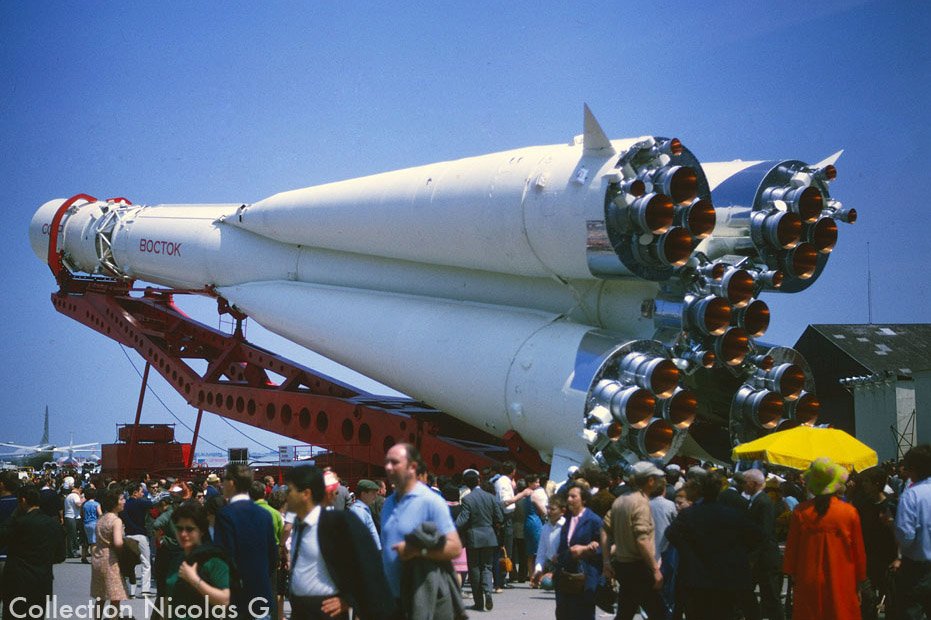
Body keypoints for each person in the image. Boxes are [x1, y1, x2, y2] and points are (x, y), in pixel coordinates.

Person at [285, 465, 395, 620]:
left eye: (290, 490)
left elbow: (368, 567)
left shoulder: (338, 524)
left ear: (306, 494)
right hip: (300, 611)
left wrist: (350, 600)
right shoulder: (298, 524)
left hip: (325, 611)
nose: (286, 496)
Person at [666, 471, 762, 620]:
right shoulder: (732, 515)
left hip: (696, 579)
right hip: (726, 578)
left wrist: (688, 551)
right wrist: (738, 551)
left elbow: (671, 534)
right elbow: (757, 536)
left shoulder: (689, 514)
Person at [380, 443, 463, 615]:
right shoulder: (388, 503)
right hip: (391, 599)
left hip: (422, 600)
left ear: (412, 467)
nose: (388, 467)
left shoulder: (431, 501)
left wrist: (417, 551)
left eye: (394, 462)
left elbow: (455, 548)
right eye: (386, 462)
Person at [783, 457, 867, 620]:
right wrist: (860, 579)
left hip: (808, 578)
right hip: (842, 578)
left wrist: (792, 574)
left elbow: (791, 551)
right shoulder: (849, 512)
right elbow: (859, 552)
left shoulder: (801, 512)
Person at [601, 461, 666, 620]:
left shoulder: (620, 501)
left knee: (625, 612)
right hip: (639, 567)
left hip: (623, 566)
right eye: (655, 478)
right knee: (660, 614)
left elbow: (604, 529)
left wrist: (607, 561)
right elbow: (642, 540)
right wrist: (655, 569)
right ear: (650, 481)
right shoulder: (641, 503)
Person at [214, 464, 277, 620]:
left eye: (224, 479)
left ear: (232, 482)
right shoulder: (265, 514)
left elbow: (223, 558)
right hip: (261, 593)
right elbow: (272, 555)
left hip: (237, 598)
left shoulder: (225, 515)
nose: (221, 483)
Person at [0, 484, 64, 620]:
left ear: (22, 500)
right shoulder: (53, 524)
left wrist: (12, 516)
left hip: (16, 580)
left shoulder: (18, 523)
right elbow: (60, 556)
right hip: (41, 580)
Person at [163, 501, 231, 620]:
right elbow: (168, 600)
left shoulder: (213, 560)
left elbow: (224, 600)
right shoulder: (176, 560)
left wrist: (194, 579)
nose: (183, 534)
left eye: (189, 529)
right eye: (179, 528)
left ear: (202, 531)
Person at [850, 466, 898, 620]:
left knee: (891, 599)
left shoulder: (892, 505)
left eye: (866, 481)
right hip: (867, 558)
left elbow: (902, 534)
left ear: (876, 484)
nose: (863, 484)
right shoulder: (861, 504)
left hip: (887, 559)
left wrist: (898, 557)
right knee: (867, 598)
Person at [456, 468, 504, 612]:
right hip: (489, 537)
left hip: (473, 538)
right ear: (478, 480)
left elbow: (462, 521)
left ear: (466, 483)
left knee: (475, 569)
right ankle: (488, 592)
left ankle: (479, 602)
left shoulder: (467, 499)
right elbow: (500, 518)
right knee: (487, 567)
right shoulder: (491, 497)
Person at [893, 444, 931, 619]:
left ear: (914, 468)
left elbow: (906, 535)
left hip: (917, 567)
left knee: (911, 611)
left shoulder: (911, 495)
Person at [554, 482, 602, 620]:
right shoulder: (567, 520)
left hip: (585, 576)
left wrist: (586, 549)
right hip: (566, 576)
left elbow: (606, 548)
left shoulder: (593, 520)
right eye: (568, 496)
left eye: (573, 496)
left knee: (583, 614)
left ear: (584, 500)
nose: (569, 499)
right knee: (563, 613)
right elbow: (564, 546)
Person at [742, 468, 785, 620]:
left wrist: (752, 558)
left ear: (753, 484)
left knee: (771, 597)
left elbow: (764, 533)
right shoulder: (757, 500)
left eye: (745, 482)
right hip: (759, 558)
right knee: (749, 593)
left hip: (764, 559)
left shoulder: (763, 502)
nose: (743, 485)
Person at [90, 487, 129, 620]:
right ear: (115, 502)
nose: (124, 501)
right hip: (111, 559)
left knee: (100, 596)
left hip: (98, 557)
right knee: (115, 596)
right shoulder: (116, 520)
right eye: (122, 499)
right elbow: (118, 543)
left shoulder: (101, 519)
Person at [121, 482, 153, 597]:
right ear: (135, 493)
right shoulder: (141, 503)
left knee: (131, 563)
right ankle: (145, 589)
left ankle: (131, 591)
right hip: (141, 535)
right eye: (141, 491)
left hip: (128, 535)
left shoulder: (124, 504)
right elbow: (152, 504)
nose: (142, 493)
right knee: (146, 563)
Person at [531, 495, 566, 588]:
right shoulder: (545, 527)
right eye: (548, 508)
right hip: (551, 565)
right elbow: (541, 553)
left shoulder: (566, 526)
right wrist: (538, 570)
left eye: (552, 509)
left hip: (566, 567)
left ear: (562, 511)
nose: (549, 511)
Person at [523, 474, 548, 582]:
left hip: (527, 522)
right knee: (539, 552)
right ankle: (538, 578)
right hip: (536, 522)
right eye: (536, 482)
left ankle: (532, 578)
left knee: (530, 553)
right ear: (530, 483)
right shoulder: (535, 495)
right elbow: (543, 512)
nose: (538, 484)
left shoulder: (525, 495)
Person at [348, 479, 381, 550]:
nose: (375, 496)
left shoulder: (363, 510)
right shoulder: (358, 511)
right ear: (363, 494)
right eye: (373, 493)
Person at [62, 483, 84, 559]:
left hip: (68, 516)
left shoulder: (69, 496)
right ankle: (72, 551)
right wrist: (82, 499)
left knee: (70, 535)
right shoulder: (75, 496)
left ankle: (70, 551)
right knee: (73, 535)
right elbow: (78, 504)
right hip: (72, 517)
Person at [81, 487, 101, 563]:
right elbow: (100, 514)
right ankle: (94, 558)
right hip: (94, 523)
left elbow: (82, 514)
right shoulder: (96, 504)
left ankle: (84, 556)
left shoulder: (85, 504)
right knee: (94, 542)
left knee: (87, 540)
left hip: (86, 524)